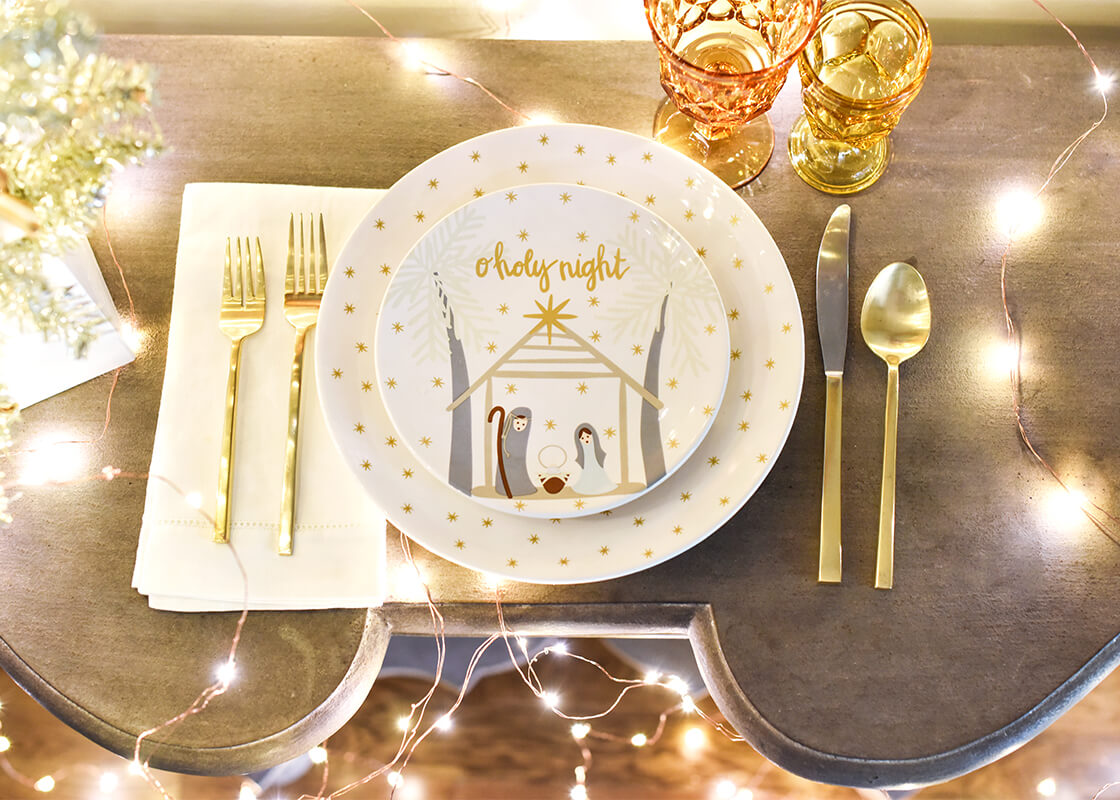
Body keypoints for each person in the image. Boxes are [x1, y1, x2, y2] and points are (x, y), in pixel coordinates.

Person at [571, 424, 617, 495]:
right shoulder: (583, 451)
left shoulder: (595, 448)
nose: (586, 440)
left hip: (596, 465)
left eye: (587, 436)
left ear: (592, 436)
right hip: (587, 466)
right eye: (582, 438)